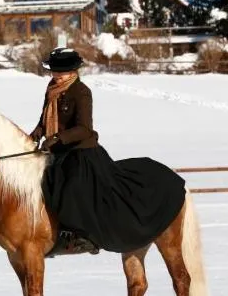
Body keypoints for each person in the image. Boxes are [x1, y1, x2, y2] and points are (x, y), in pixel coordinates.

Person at [30, 48, 186, 257]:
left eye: (62, 72)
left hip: (80, 151)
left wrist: (59, 138)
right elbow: (44, 118)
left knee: (74, 186)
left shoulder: (81, 92)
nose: (57, 76)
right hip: (56, 151)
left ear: (73, 71)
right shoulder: (52, 90)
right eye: (55, 72)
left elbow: (84, 128)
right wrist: (36, 133)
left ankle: (81, 236)